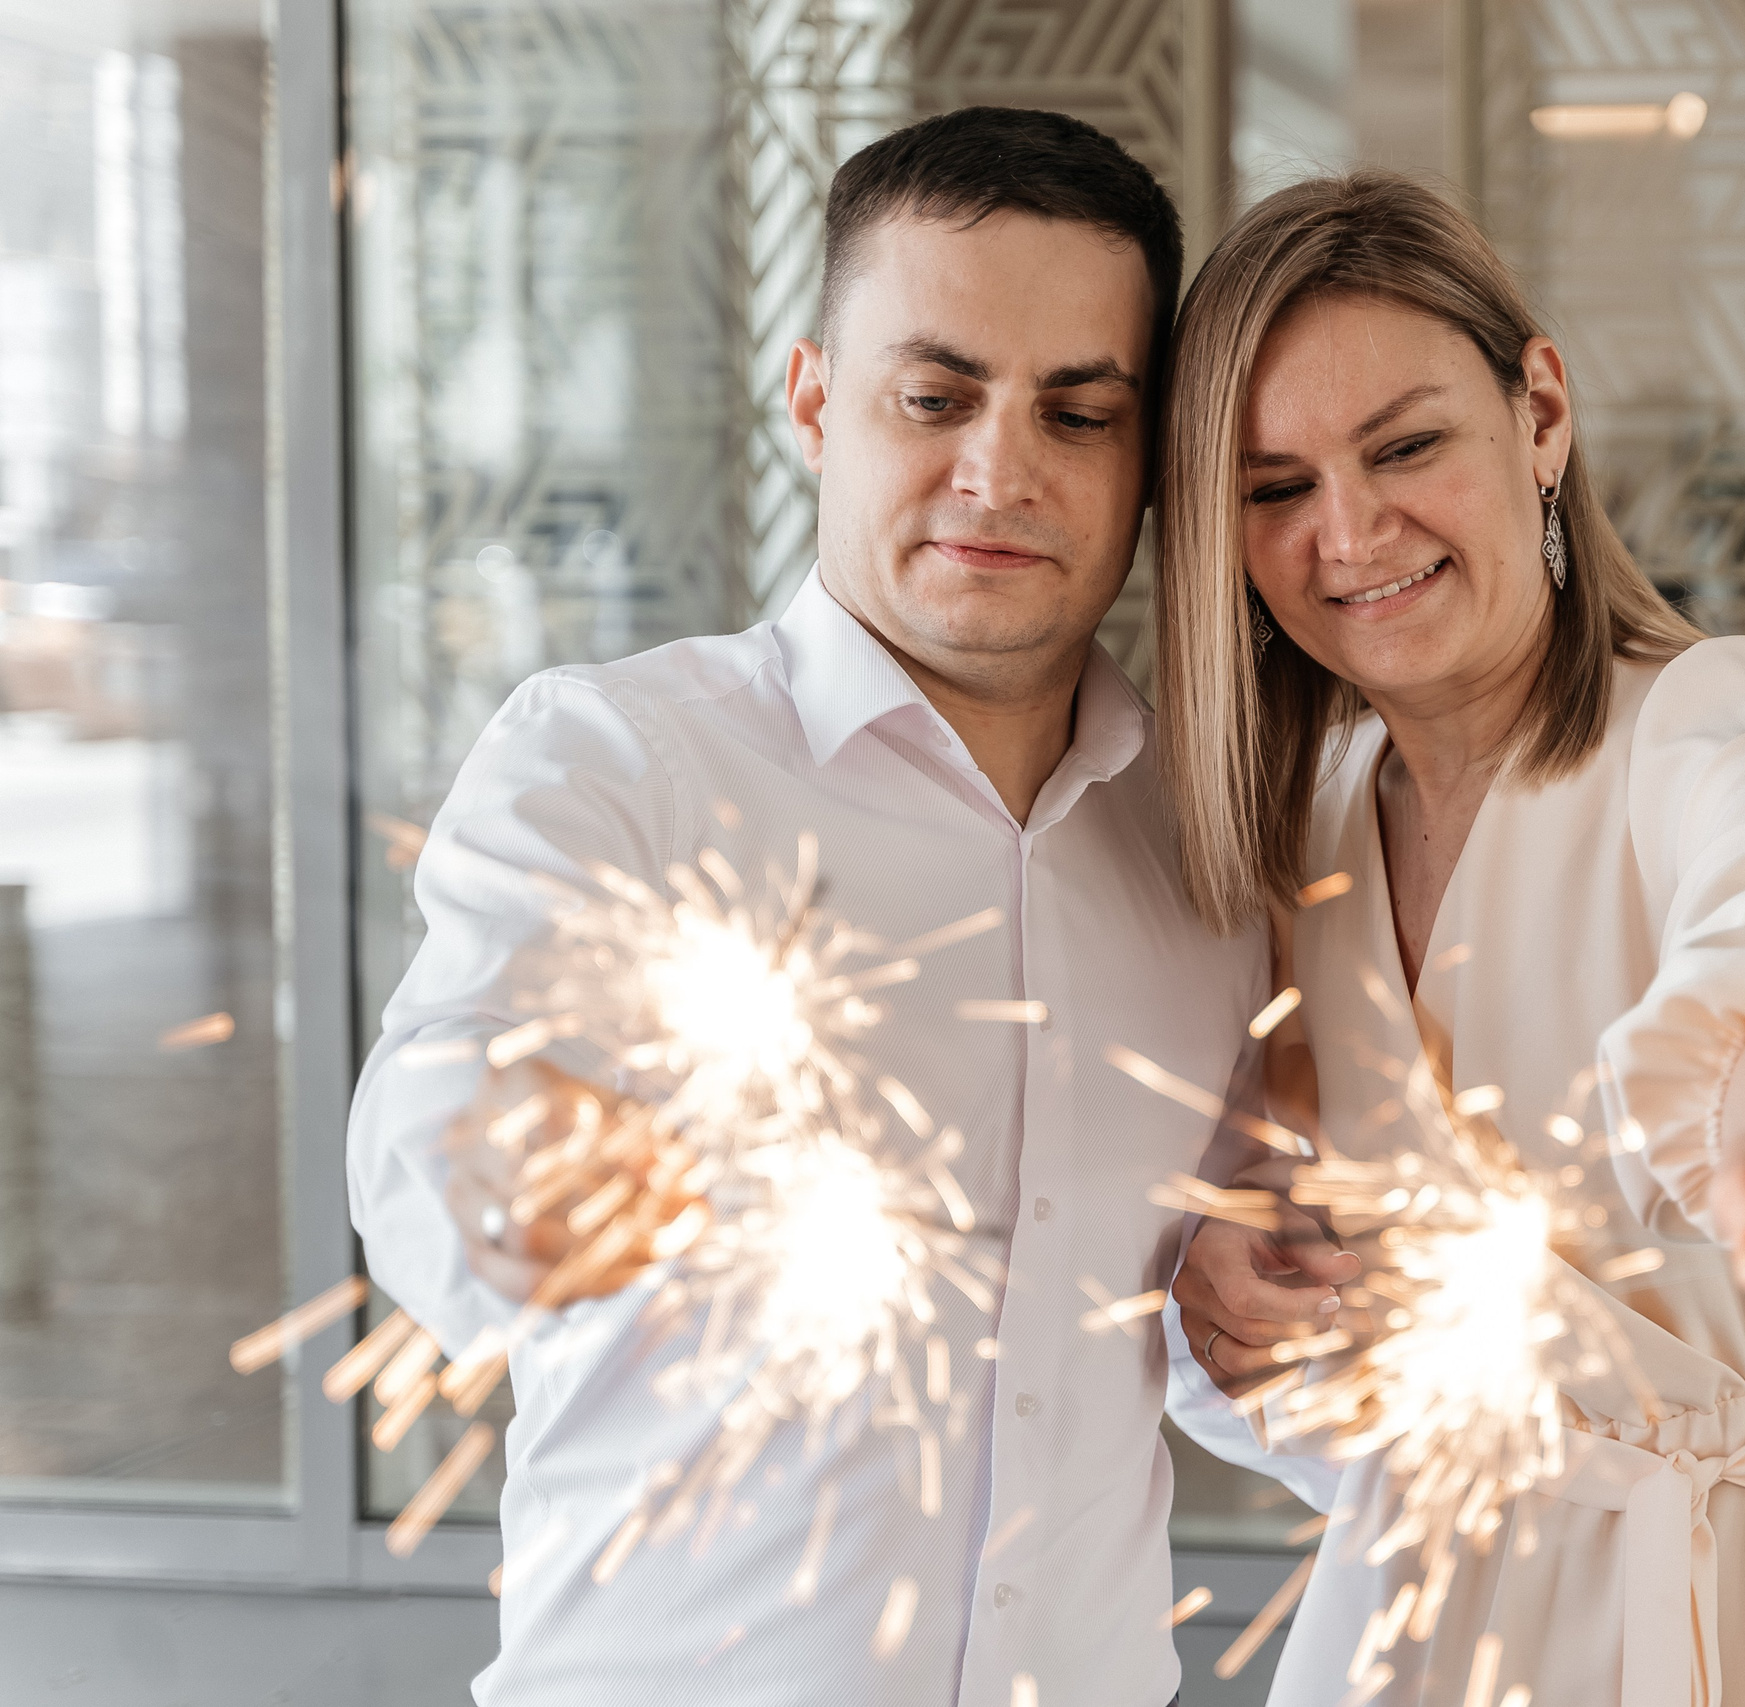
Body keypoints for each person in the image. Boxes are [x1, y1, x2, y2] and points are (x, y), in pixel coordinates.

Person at [346, 108, 1263, 1705]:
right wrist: (503, 1153)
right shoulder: (621, 759)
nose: (1002, 469)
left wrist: (1278, 1322)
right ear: (816, 398)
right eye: (936, 396)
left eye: (1079, 412)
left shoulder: (1217, 845)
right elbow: (436, 1116)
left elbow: (1212, 1370)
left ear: (1151, 452)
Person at [1158, 173, 1745, 1706]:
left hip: (1738, 1615)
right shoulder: (1305, 818)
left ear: (1539, 411)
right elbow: (1286, 1254)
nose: (1350, 532)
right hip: (1411, 1606)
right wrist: (1233, 1274)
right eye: (1274, 489)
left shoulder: (1727, 718)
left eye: (1405, 447)